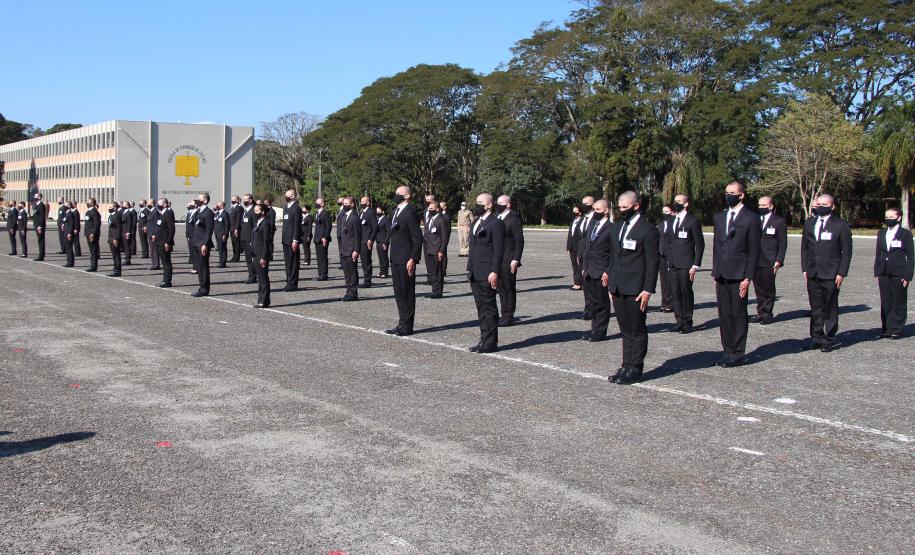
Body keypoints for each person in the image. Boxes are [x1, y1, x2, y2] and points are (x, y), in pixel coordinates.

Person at [607, 191, 660, 384]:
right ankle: (626, 365)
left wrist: (648, 289)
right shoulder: (617, 228)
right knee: (625, 329)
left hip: (637, 288)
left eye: (624, 208)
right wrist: (611, 283)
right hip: (619, 286)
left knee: (636, 329)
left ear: (636, 206)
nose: (621, 211)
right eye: (619, 207)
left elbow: (652, 262)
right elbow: (613, 257)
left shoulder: (648, 230)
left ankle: (635, 368)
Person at [711, 181, 760, 367]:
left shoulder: (751, 218)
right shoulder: (720, 218)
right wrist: (715, 272)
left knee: (738, 314)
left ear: (741, 195)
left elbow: (754, 250)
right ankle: (727, 350)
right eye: (726, 192)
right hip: (722, 273)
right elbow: (717, 247)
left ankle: (738, 353)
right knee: (724, 314)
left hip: (740, 274)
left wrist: (748, 277)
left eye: (732, 193)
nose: (728, 195)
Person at [800, 194, 852, 352]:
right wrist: (804, 268)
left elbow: (847, 251)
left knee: (829, 306)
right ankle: (816, 337)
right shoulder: (810, 223)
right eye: (819, 204)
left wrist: (841, 272)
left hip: (831, 272)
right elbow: (804, 248)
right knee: (815, 306)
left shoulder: (840, 225)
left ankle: (828, 338)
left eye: (825, 204)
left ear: (832, 206)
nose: (821, 206)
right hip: (813, 271)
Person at [467, 193, 505, 353]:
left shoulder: (495, 223)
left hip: (487, 271)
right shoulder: (476, 222)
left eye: (481, 203)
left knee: (489, 307)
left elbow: (498, 249)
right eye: (477, 202)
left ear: (489, 205)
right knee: (480, 307)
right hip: (475, 272)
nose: (477, 205)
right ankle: (483, 339)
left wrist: (494, 271)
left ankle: (490, 342)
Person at [664, 194, 704, 334]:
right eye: (675, 201)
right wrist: (669, 259)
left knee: (685, 291)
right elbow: (668, 242)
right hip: (673, 263)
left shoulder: (692, 221)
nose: (676, 203)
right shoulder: (671, 221)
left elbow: (699, 244)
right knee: (675, 292)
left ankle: (687, 321)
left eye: (679, 201)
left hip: (686, 263)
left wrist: (695, 264)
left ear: (686, 204)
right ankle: (679, 320)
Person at [386, 187, 423, 335]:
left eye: (398, 194)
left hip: (405, 258)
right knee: (399, 292)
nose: (396, 196)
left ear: (407, 196)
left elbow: (417, 237)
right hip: (395, 257)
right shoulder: (395, 211)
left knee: (407, 293)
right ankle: (401, 323)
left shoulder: (410, 212)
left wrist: (413, 258)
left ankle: (407, 326)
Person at [874, 208, 914, 339]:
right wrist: (877, 272)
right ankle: (886, 328)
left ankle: (897, 328)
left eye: (891, 217)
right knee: (885, 300)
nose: (888, 219)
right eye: (886, 216)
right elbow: (878, 253)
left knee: (898, 300)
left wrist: (908, 275)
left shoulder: (906, 234)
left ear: (899, 218)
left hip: (899, 272)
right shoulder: (881, 233)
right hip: (884, 272)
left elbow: (911, 257)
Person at [580, 199, 614, 342]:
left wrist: (607, 271)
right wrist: (584, 266)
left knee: (602, 302)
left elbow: (613, 253)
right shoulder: (592, 225)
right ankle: (594, 328)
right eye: (594, 209)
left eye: (598, 210)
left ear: (606, 211)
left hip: (601, 271)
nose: (595, 212)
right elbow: (588, 246)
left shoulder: (612, 228)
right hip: (589, 269)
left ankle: (600, 331)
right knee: (593, 302)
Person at [752, 196, 787, 324]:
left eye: (764, 205)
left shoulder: (779, 221)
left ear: (771, 206)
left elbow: (783, 243)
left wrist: (779, 260)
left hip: (770, 259)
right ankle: (760, 312)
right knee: (758, 286)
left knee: (768, 287)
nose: (761, 207)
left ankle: (767, 313)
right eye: (759, 205)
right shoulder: (755, 220)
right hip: (756, 258)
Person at [495, 194, 524, 326]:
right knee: (500, 288)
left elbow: (519, 241)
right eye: (497, 202)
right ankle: (503, 313)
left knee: (509, 288)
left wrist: (516, 259)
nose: (498, 205)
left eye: (501, 203)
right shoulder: (497, 217)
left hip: (509, 258)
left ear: (508, 205)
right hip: (498, 258)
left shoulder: (513, 219)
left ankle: (509, 316)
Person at [423, 200, 450, 298]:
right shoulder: (430, 218)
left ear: (437, 209)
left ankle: (438, 292)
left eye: (431, 209)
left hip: (437, 249)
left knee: (438, 272)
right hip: (430, 249)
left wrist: (441, 251)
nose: (429, 210)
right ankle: (434, 291)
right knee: (433, 272)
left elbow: (444, 237)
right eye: (429, 208)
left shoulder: (441, 220)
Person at [336, 196, 362, 301]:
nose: (344, 205)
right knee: (346, 273)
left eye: (347, 204)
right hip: (344, 249)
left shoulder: (354, 217)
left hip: (351, 249)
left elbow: (357, 235)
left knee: (352, 272)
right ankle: (348, 290)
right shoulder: (344, 216)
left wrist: (356, 250)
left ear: (352, 204)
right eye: (343, 204)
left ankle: (353, 293)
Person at [190, 193, 215, 297]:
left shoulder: (208, 212)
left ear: (205, 201)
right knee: (199, 267)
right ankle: (201, 287)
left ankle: (204, 289)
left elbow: (209, 230)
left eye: (200, 199)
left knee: (203, 267)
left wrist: (205, 244)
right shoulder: (198, 211)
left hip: (202, 244)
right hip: (196, 242)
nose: (197, 201)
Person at [576, 196, 597, 319]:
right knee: (586, 283)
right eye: (582, 203)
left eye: (586, 204)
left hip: (593, 255)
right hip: (583, 254)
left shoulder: (596, 218)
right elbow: (581, 238)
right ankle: (588, 307)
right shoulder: (583, 218)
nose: (583, 205)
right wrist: (579, 253)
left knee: (593, 283)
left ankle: (595, 308)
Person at [251, 202, 273, 308]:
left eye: (257, 211)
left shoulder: (266, 223)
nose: (255, 212)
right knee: (260, 278)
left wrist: (264, 257)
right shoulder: (258, 222)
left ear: (262, 212)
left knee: (263, 279)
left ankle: (263, 301)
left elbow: (266, 241)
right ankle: (262, 299)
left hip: (261, 254)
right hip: (255, 253)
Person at [280, 189, 302, 291]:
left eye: (288, 195)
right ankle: (288, 280)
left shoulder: (296, 208)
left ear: (293, 196)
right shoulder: (286, 207)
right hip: (285, 239)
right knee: (287, 262)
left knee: (293, 262)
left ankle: (293, 283)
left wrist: (295, 240)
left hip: (292, 239)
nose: (286, 197)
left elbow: (297, 226)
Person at [153, 197, 176, 288]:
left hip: (164, 242)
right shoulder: (162, 214)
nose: (158, 205)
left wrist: (168, 241)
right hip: (159, 241)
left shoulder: (168, 213)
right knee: (164, 262)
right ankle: (165, 280)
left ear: (165, 204)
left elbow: (171, 229)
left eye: (160, 204)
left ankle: (167, 281)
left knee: (166, 263)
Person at [657, 204, 674, 313]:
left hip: (671, 255)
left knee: (671, 280)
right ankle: (664, 302)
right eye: (663, 211)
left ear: (672, 212)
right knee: (663, 280)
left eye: (666, 211)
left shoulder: (675, 223)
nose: (664, 214)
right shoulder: (661, 224)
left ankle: (671, 303)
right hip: (661, 254)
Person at [358, 195, 379, 288]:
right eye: (361, 201)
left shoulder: (370, 213)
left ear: (368, 203)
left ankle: (367, 281)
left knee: (366, 261)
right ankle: (366, 278)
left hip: (366, 241)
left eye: (363, 201)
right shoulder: (361, 213)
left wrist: (371, 239)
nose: (362, 203)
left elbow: (375, 228)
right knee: (363, 261)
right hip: (360, 240)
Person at [313, 197, 332, 281]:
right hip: (317, 238)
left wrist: (325, 237)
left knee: (323, 257)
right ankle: (320, 273)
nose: (316, 203)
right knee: (319, 257)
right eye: (316, 202)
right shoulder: (317, 213)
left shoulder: (325, 213)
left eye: (318, 202)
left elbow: (329, 226)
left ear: (322, 204)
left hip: (323, 239)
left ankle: (324, 274)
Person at [239, 194, 256, 284]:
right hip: (244, 238)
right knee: (248, 258)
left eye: (246, 199)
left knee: (251, 259)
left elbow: (255, 226)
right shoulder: (245, 210)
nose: (244, 201)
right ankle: (251, 274)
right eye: (243, 199)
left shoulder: (253, 211)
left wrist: (253, 240)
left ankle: (253, 276)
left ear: (250, 200)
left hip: (250, 239)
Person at [566, 205, 583, 290]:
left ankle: (581, 283)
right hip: (572, 247)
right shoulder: (573, 221)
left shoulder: (583, 221)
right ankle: (576, 282)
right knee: (574, 266)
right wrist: (568, 247)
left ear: (580, 212)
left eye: (575, 212)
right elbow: (570, 235)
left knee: (580, 265)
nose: (573, 214)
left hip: (579, 247)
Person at [84, 198, 101, 272]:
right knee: (91, 250)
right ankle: (92, 265)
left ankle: (93, 266)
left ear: (92, 203)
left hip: (92, 234)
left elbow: (96, 224)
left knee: (94, 250)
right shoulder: (89, 211)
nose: (87, 203)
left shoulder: (94, 212)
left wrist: (92, 233)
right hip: (88, 233)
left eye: (88, 202)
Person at [107, 202, 123, 277]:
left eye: (111, 207)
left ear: (115, 208)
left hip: (115, 238)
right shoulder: (111, 216)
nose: (109, 208)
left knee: (116, 255)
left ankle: (117, 271)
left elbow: (119, 228)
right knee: (114, 255)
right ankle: (115, 269)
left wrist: (116, 238)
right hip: (111, 237)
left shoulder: (117, 216)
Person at [214, 201, 231, 268]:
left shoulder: (225, 214)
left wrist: (225, 234)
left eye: (218, 205)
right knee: (219, 248)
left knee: (223, 249)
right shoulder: (217, 213)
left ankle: (223, 263)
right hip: (217, 233)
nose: (217, 206)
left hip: (222, 234)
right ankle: (220, 261)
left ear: (222, 206)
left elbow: (227, 225)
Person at [375, 205, 391, 278]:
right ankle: (381, 271)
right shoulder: (377, 219)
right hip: (378, 240)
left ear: (383, 212)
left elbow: (389, 232)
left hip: (383, 241)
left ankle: (385, 272)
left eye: (379, 211)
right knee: (380, 257)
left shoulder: (386, 220)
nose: (377, 212)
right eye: (377, 211)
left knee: (384, 257)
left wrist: (386, 242)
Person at [146, 201, 161, 270]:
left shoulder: (155, 212)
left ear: (152, 204)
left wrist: (154, 234)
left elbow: (156, 224)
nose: (147, 205)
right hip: (150, 233)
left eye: (148, 204)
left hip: (153, 234)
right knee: (152, 250)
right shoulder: (152, 211)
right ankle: (154, 263)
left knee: (154, 250)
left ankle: (156, 264)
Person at [229, 195, 243, 263]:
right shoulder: (233, 207)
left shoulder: (239, 208)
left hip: (235, 229)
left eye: (234, 199)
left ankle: (237, 257)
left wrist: (236, 228)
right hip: (231, 228)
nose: (232, 201)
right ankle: (234, 256)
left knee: (237, 243)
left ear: (237, 200)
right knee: (233, 243)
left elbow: (238, 219)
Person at [32, 193, 47, 261]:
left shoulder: (41, 205)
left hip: (39, 226)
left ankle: (41, 256)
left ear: (39, 197)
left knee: (41, 240)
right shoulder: (36, 205)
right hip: (36, 225)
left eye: (35, 197)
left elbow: (42, 217)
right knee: (39, 240)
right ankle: (41, 254)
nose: (34, 198)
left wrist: (40, 226)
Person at [185, 201, 197, 267]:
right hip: (189, 233)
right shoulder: (189, 213)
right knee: (190, 247)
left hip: (194, 233)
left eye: (191, 205)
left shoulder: (196, 212)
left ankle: (194, 259)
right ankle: (191, 258)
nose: (189, 206)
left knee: (193, 247)